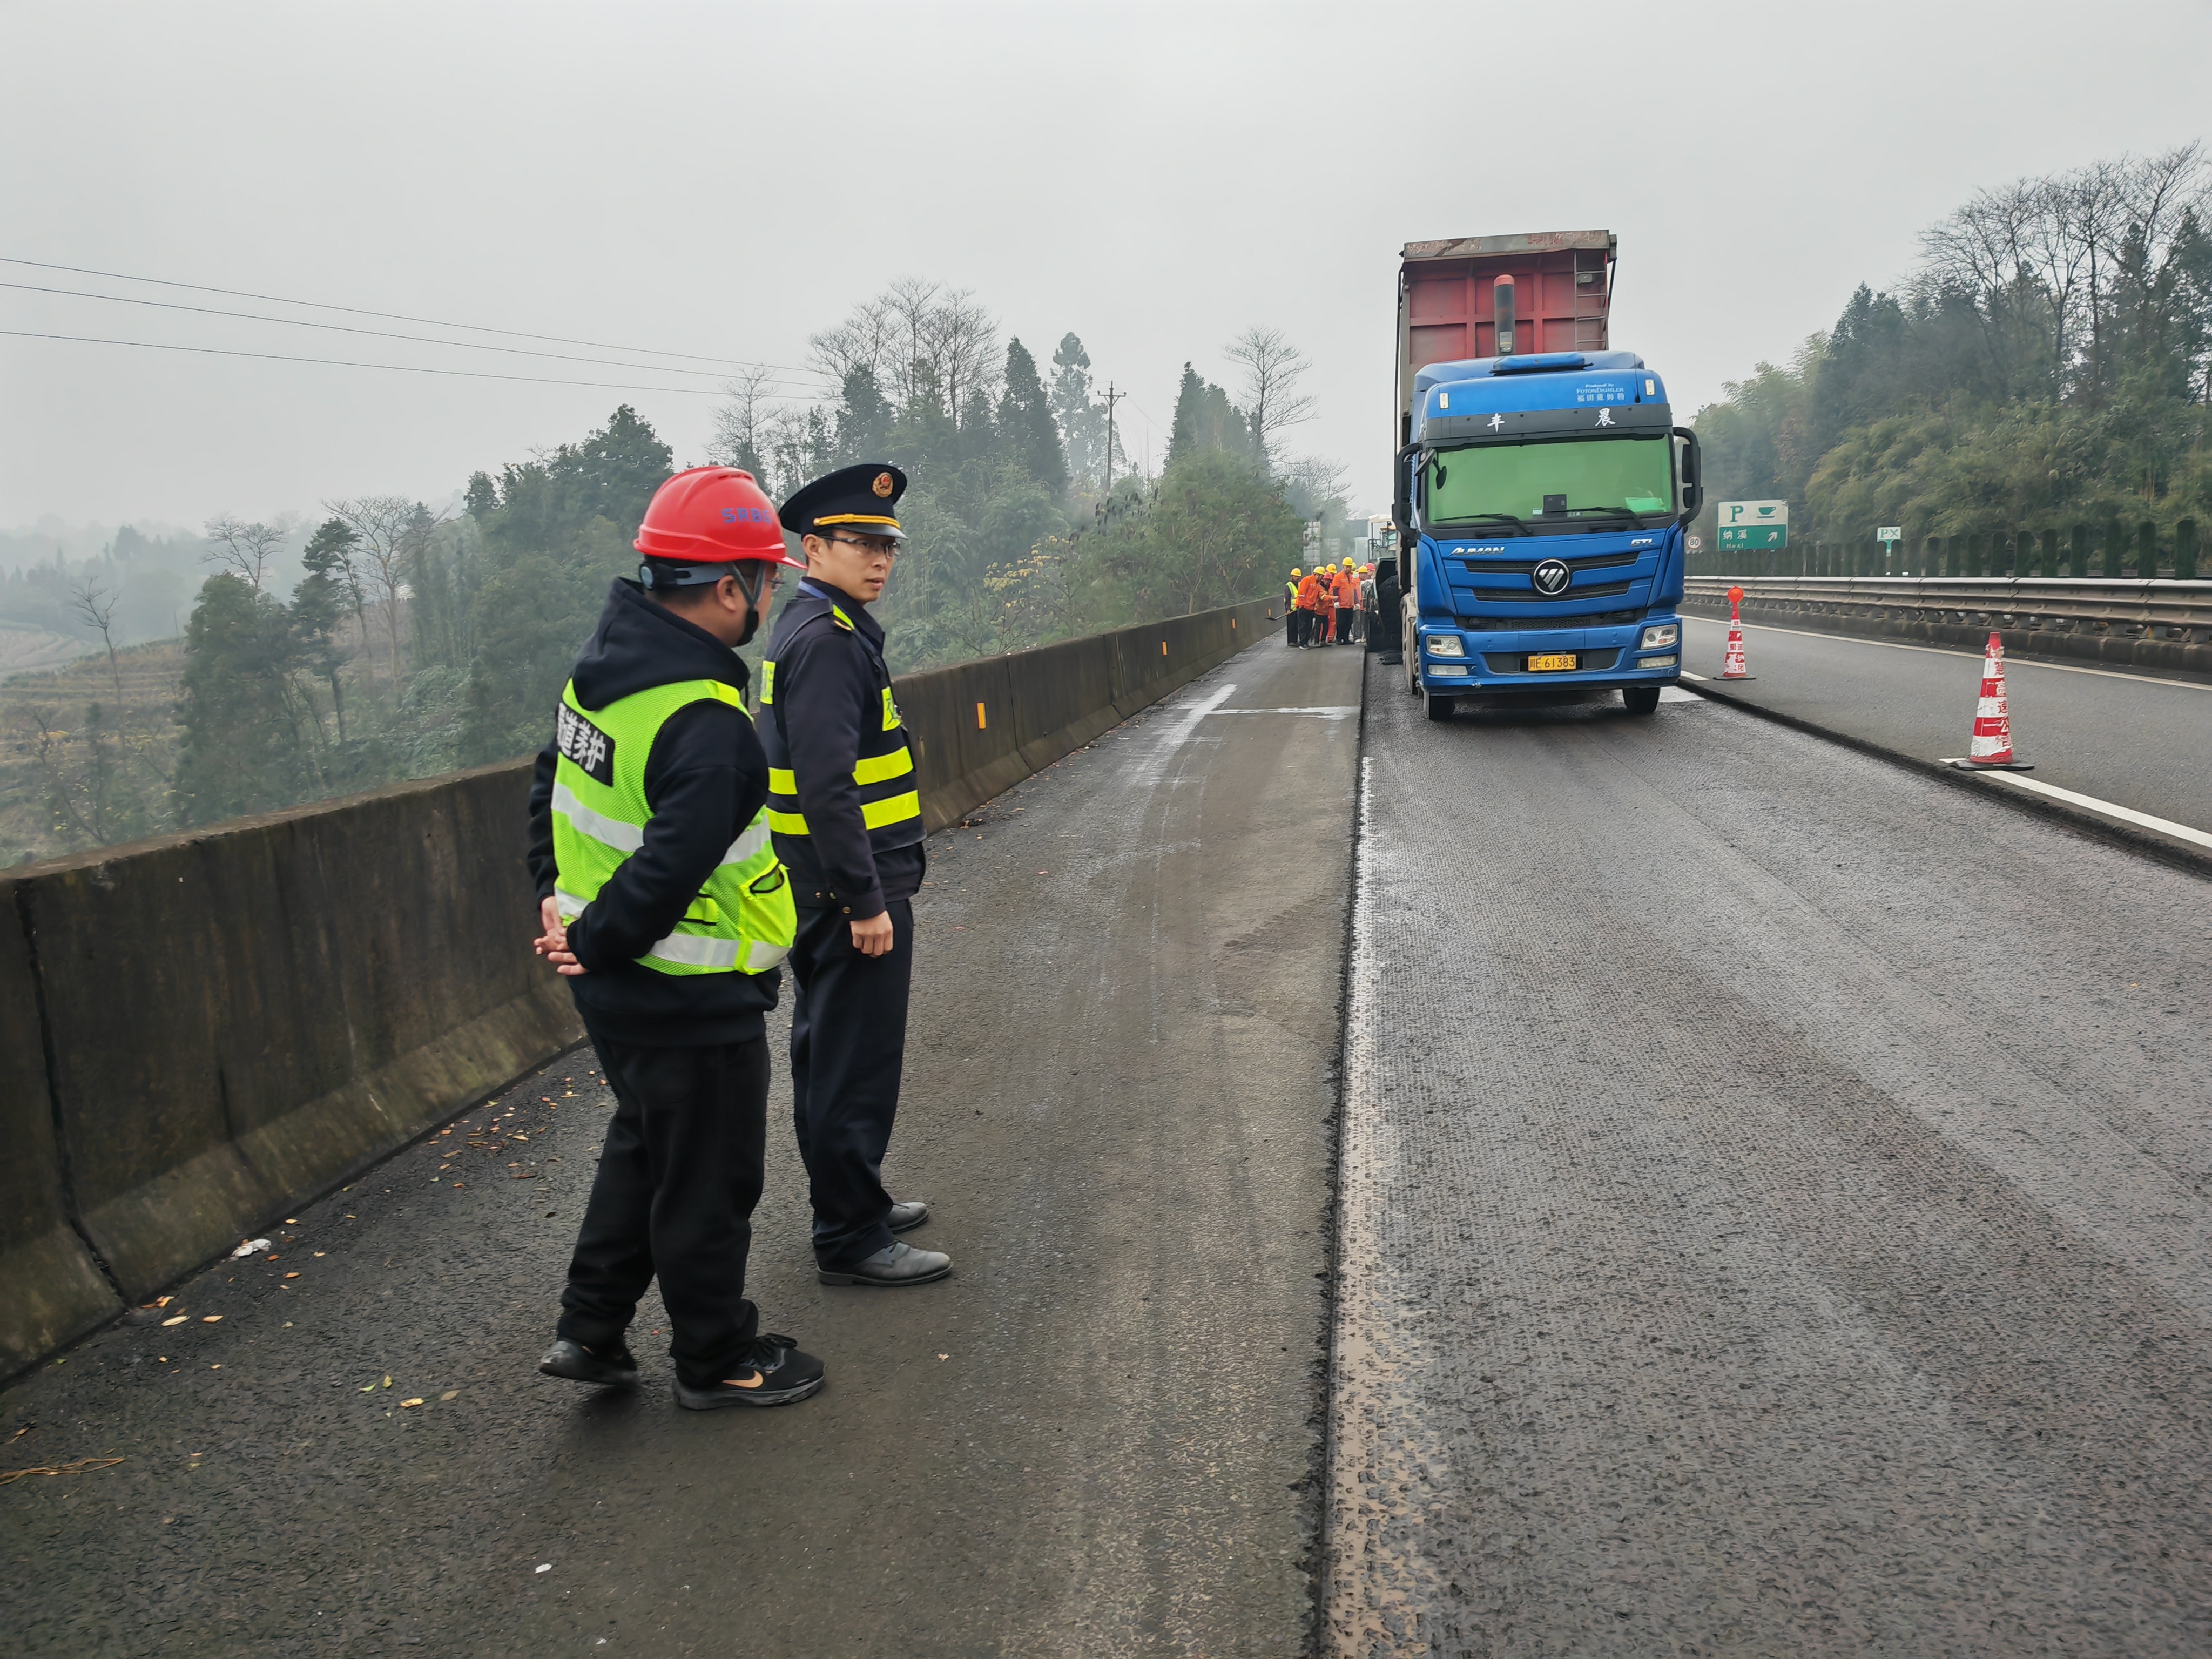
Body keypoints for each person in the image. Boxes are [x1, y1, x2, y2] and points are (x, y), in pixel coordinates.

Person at [529, 466, 826, 1410]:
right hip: (687, 990)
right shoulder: (707, 720)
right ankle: (717, 1358)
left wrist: (557, 902)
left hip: (611, 983)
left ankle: (590, 1327)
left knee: (646, 1145)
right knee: (708, 1178)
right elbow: (668, 867)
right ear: (731, 588)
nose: (770, 598)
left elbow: (549, 786)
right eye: (767, 579)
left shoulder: (600, 674)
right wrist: (601, 937)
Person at [760, 463, 952, 1289]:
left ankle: (852, 1201)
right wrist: (865, 899)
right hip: (849, 894)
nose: (879, 560)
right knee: (854, 1065)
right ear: (813, 549)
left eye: (888, 546)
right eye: (860, 543)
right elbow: (827, 788)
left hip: (820, 887)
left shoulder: (812, 627)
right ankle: (850, 1235)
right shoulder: (830, 645)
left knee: (827, 1053)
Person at [1297, 564, 1331, 644]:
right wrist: (1301, 606)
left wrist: (1331, 598)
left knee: (1309, 626)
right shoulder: (1307, 580)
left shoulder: (1318, 585)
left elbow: (1322, 596)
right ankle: (1303, 643)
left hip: (1311, 608)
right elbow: (1301, 594)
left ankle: (1306, 642)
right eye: (1321, 576)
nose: (1322, 579)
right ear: (1317, 575)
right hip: (1304, 608)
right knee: (1303, 626)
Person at [1333, 557, 1360, 647]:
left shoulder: (1351, 578)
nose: (1349, 569)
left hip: (1350, 605)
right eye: (1347, 567)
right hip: (1342, 605)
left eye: (1350, 567)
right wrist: (1336, 602)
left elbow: (1354, 591)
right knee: (1341, 623)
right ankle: (1339, 639)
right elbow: (1335, 589)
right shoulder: (1338, 577)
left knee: (1349, 622)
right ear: (1343, 567)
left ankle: (1346, 639)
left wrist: (1356, 602)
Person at [1284, 568, 1305, 648]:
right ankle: (1291, 641)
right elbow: (1287, 598)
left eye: (1298, 576)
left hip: (1299, 608)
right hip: (1292, 609)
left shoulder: (1300, 584)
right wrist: (1288, 609)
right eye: (1296, 576)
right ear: (1292, 576)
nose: (1297, 578)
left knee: (1297, 625)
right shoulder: (1289, 585)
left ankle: (1295, 641)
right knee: (1291, 625)